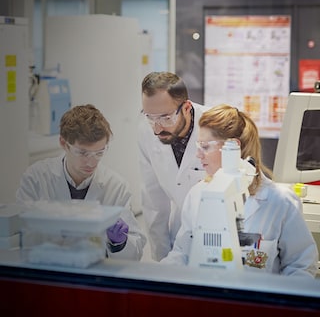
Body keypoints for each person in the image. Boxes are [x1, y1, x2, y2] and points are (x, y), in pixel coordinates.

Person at [161, 104, 318, 278]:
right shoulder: (198, 195)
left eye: (205, 146)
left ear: (232, 148)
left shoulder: (280, 201)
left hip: (257, 302)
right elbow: (182, 254)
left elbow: (301, 267)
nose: (198, 155)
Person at [17, 104, 146, 260]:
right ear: (64, 143)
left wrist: (119, 242)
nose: (91, 162)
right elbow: (20, 235)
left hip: (95, 274)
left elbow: (135, 252)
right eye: (83, 153)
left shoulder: (116, 186)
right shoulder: (36, 178)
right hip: (45, 269)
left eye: (99, 153)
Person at [138, 72, 209, 261]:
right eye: (150, 117)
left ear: (186, 108)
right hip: (179, 234)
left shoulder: (214, 126)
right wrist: (161, 257)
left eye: (166, 118)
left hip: (219, 230)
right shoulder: (146, 132)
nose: (157, 128)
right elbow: (154, 200)